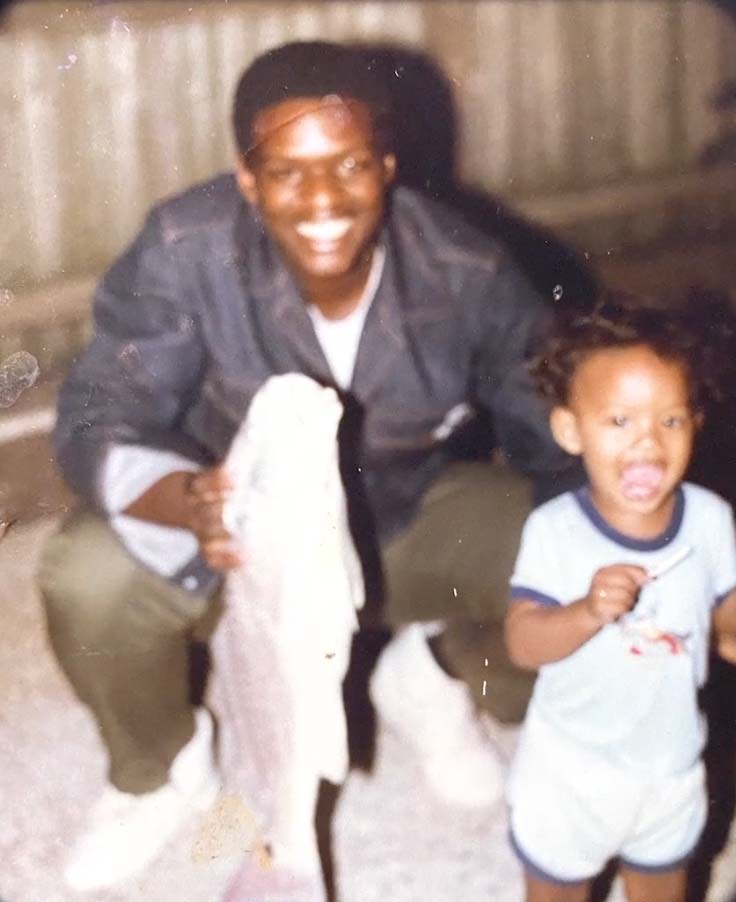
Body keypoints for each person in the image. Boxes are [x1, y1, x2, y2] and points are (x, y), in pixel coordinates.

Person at [38, 40, 577, 895]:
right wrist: (182, 499)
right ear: (247, 179)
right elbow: (99, 412)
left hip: (397, 525)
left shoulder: (469, 272)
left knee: (585, 558)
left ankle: (432, 677)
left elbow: (562, 447)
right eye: (286, 172)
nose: (322, 200)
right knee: (85, 573)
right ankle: (164, 773)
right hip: (232, 549)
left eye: (350, 166)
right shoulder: (187, 246)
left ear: (387, 166)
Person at [504, 292, 736, 902]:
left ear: (696, 425)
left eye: (671, 419)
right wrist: (584, 612)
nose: (647, 442)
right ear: (569, 430)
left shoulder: (711, 521)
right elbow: (523, 643)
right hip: (570, 770)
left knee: (664, 884)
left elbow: (726, 621)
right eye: (619, 421)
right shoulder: (555, 530)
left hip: (671, 766)